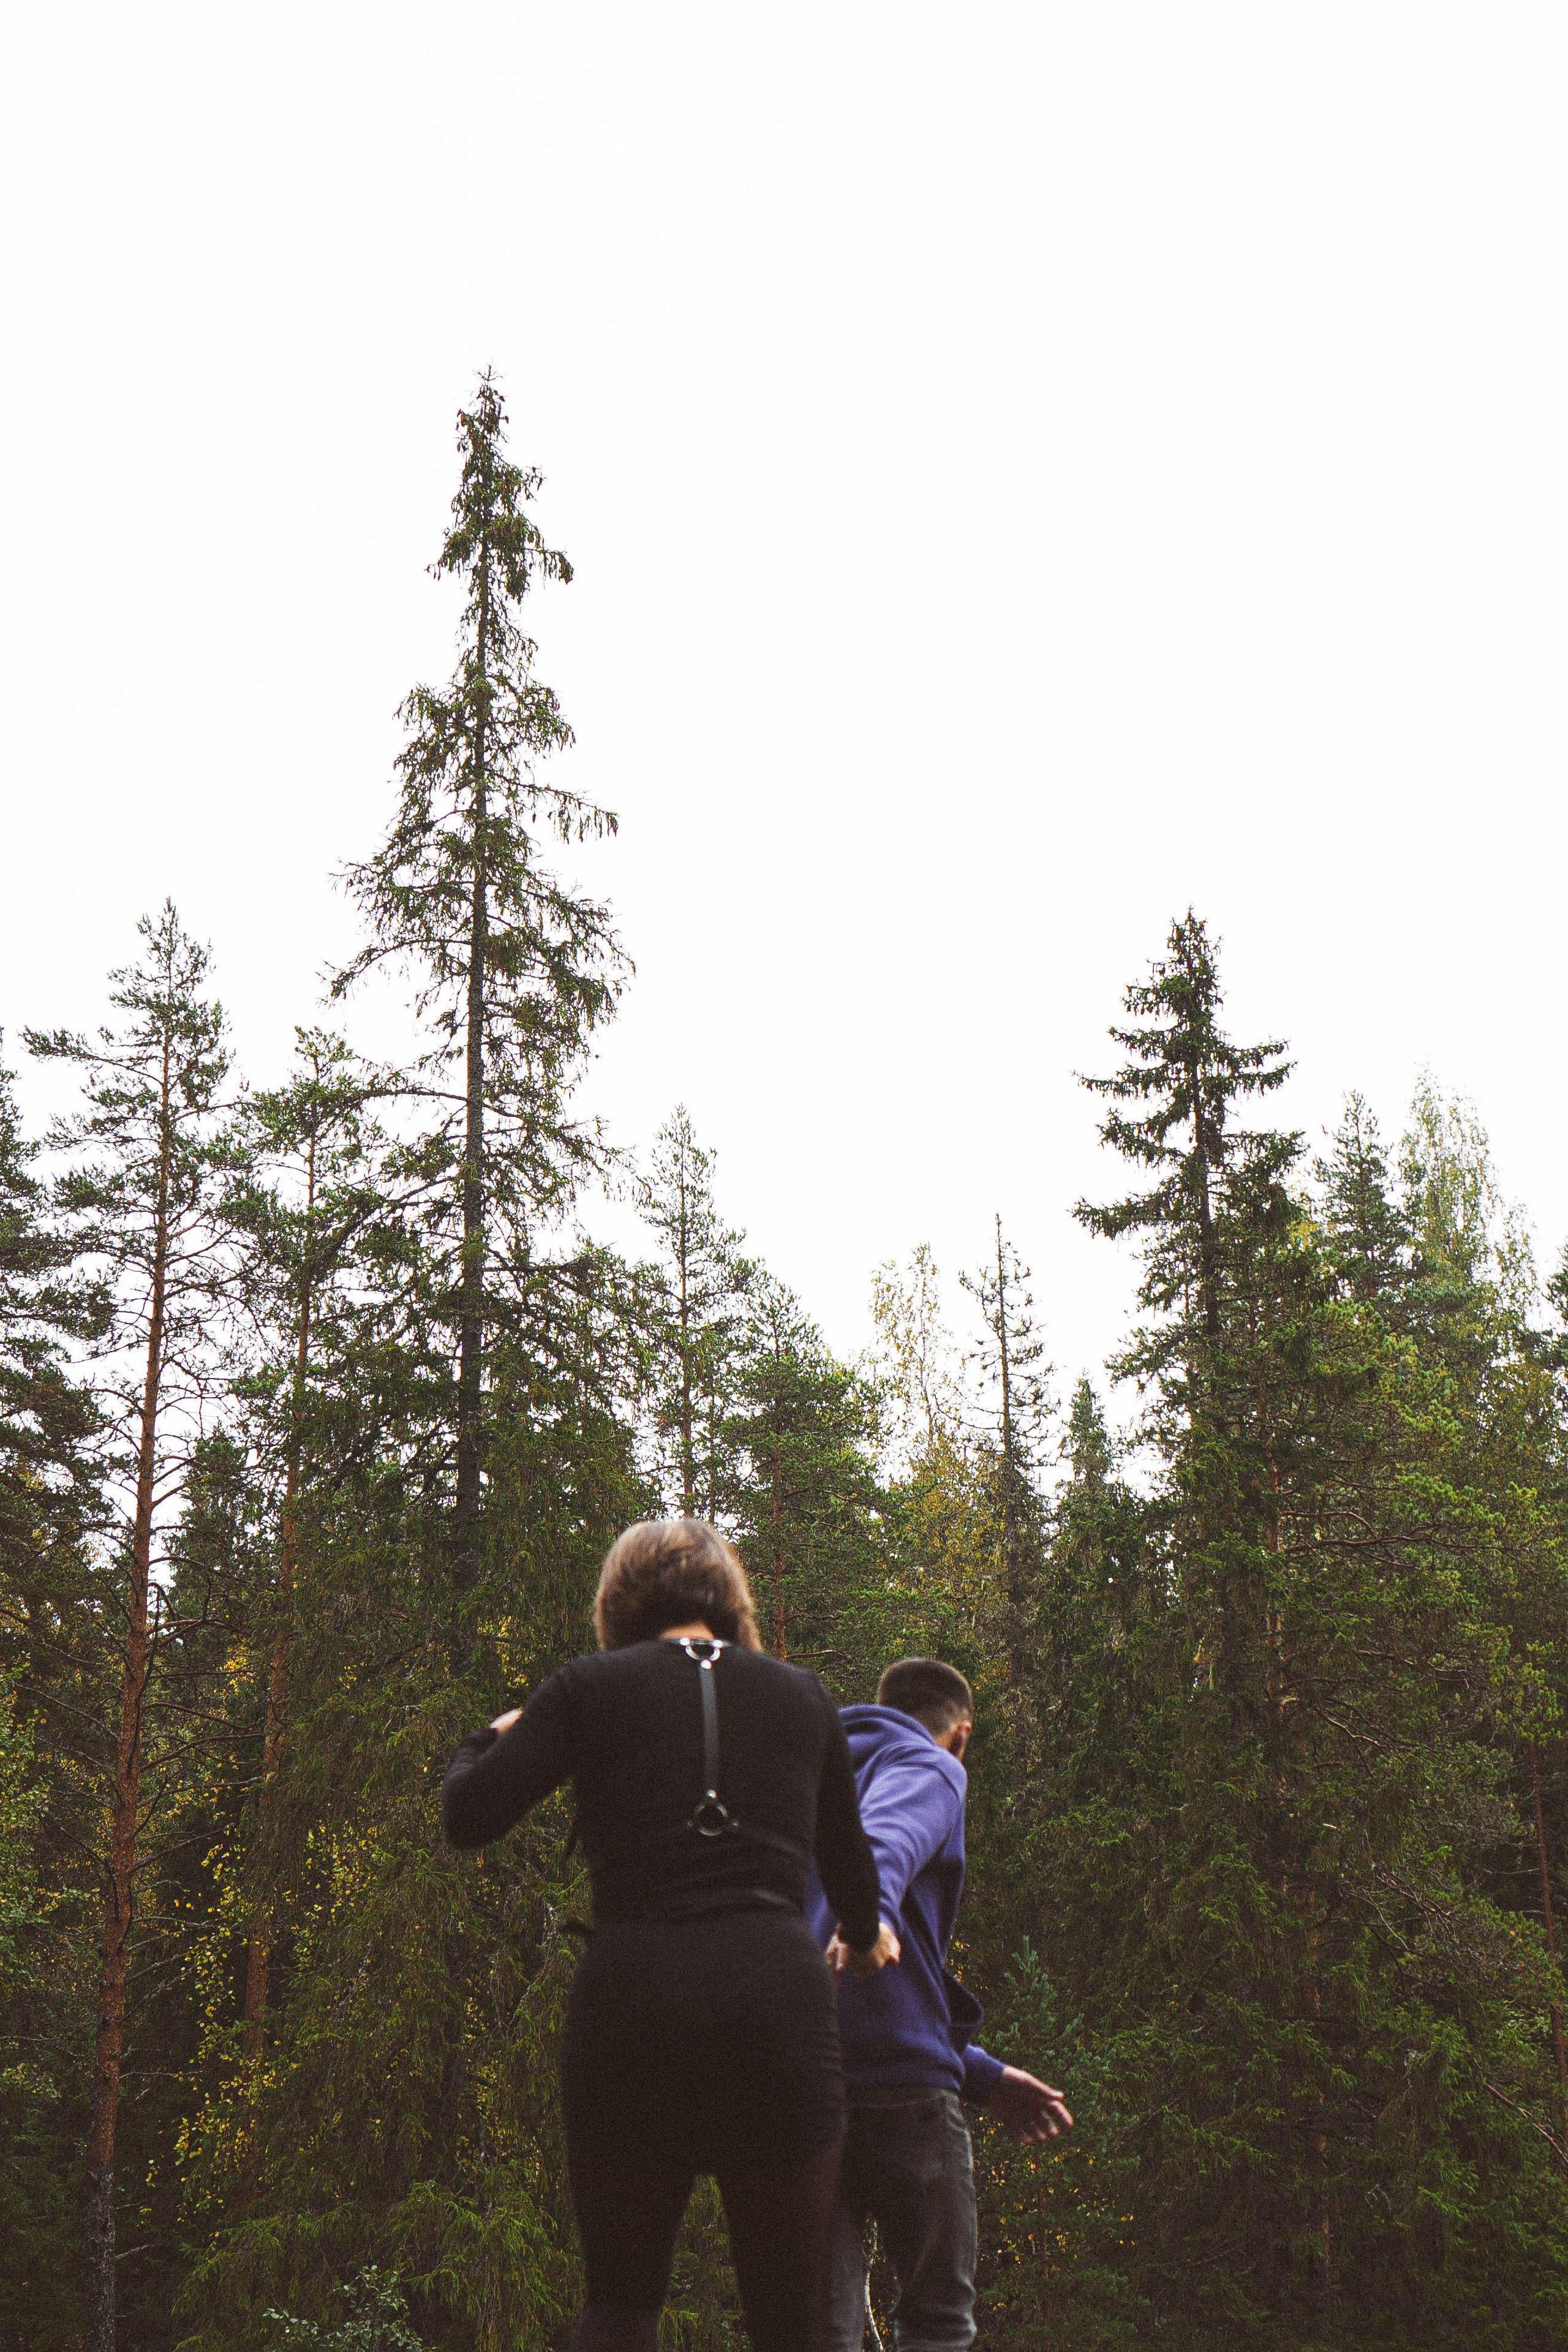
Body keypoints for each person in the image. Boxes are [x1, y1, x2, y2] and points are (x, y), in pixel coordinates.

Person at [441, 1520, 898, 2352]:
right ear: (729, 1599)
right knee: (791, 2325)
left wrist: (493, 1736)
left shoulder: (586, 1688)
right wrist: (866, 1939)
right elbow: (852, 1873)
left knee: (620, 2303)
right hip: (777, 2010)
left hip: (634, 2003)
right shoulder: (803, 1696)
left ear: (617, 1602)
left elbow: (468, 1816)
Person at [805, 1657, 1073, 2352]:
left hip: (803, 2078)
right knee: (935, 2319)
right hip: (900, 2090)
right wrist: (867, 1922)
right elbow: (884, 1842)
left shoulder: (806, 1777)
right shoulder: (929, 1766)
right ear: (960, 1734)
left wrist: (981, 2073)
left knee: (817, 2328)